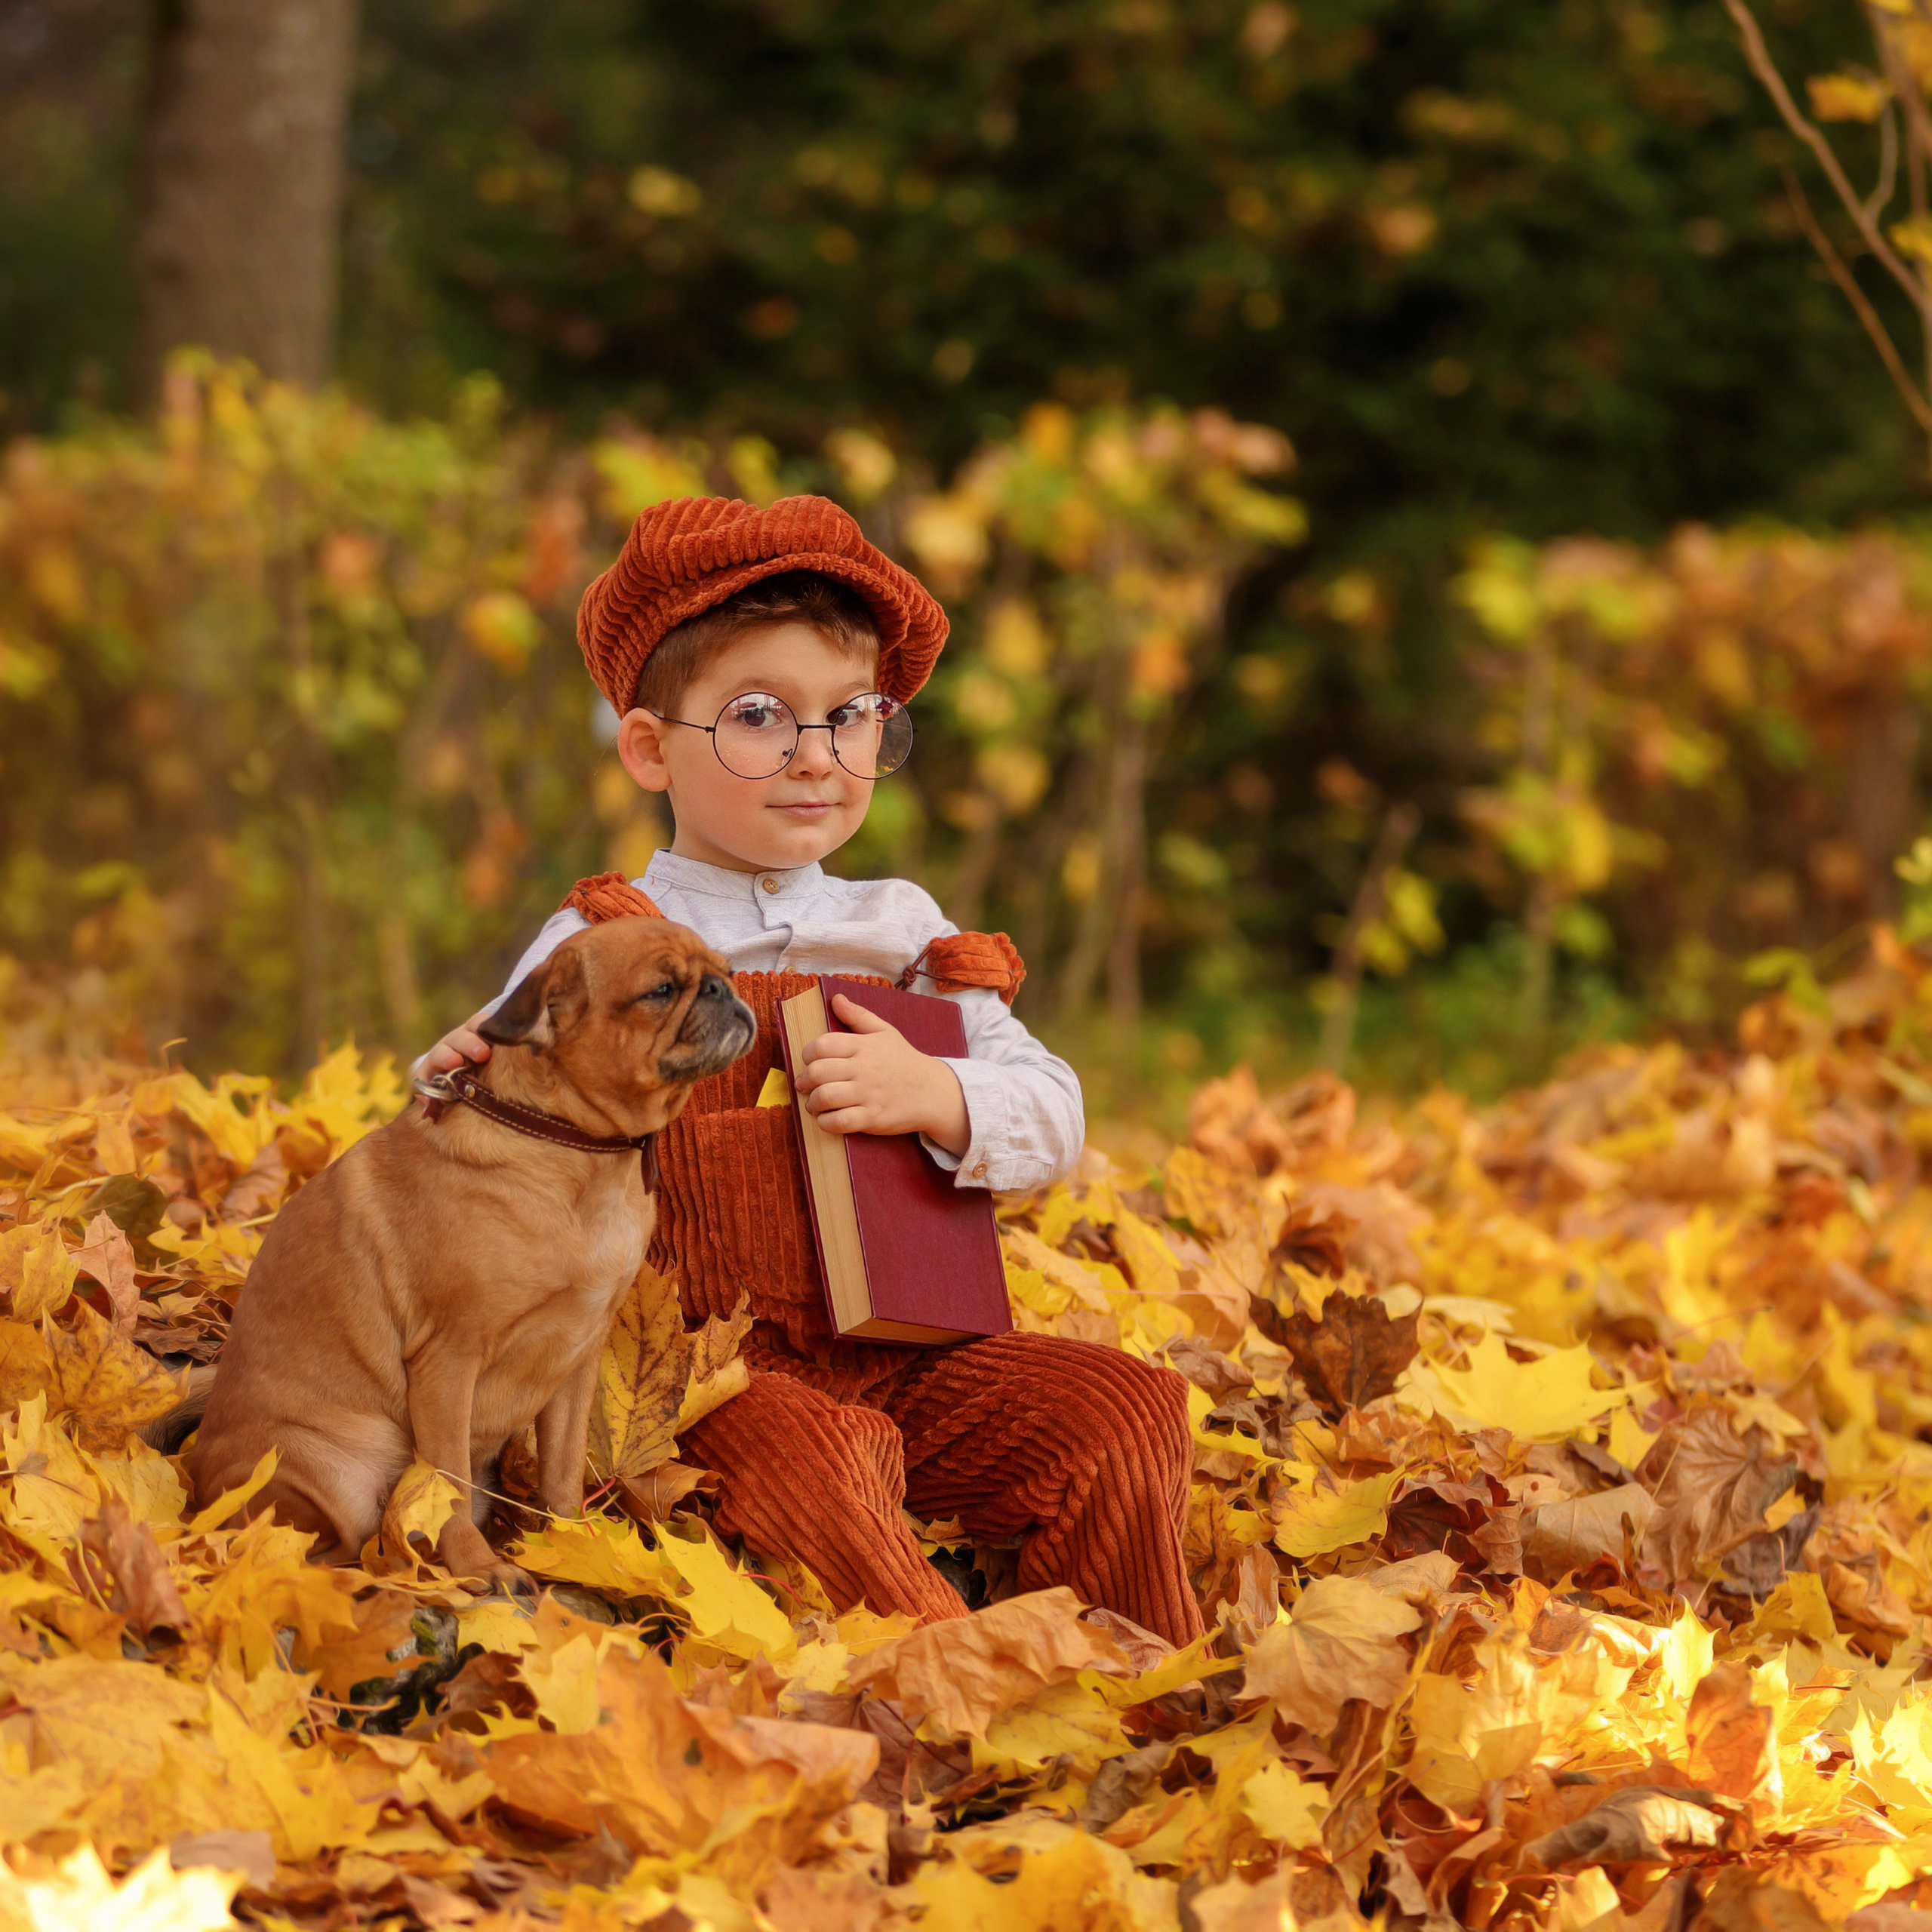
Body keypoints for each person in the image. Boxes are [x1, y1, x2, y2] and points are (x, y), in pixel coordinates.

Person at [418, 493, 1204, 1645]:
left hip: (912, 1353)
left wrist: (938, 1096)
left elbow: (1056, 1117)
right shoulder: (602, 943)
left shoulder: (906, 933)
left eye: (851, 720)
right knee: (823, 1460)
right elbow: (471, 1125)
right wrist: (450, 1077)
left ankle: (1144, 1680)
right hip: (691, 1379)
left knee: (1122, 1405)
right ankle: (957, 1681)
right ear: (649, 748)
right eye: (757, 718)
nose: (815, 759)